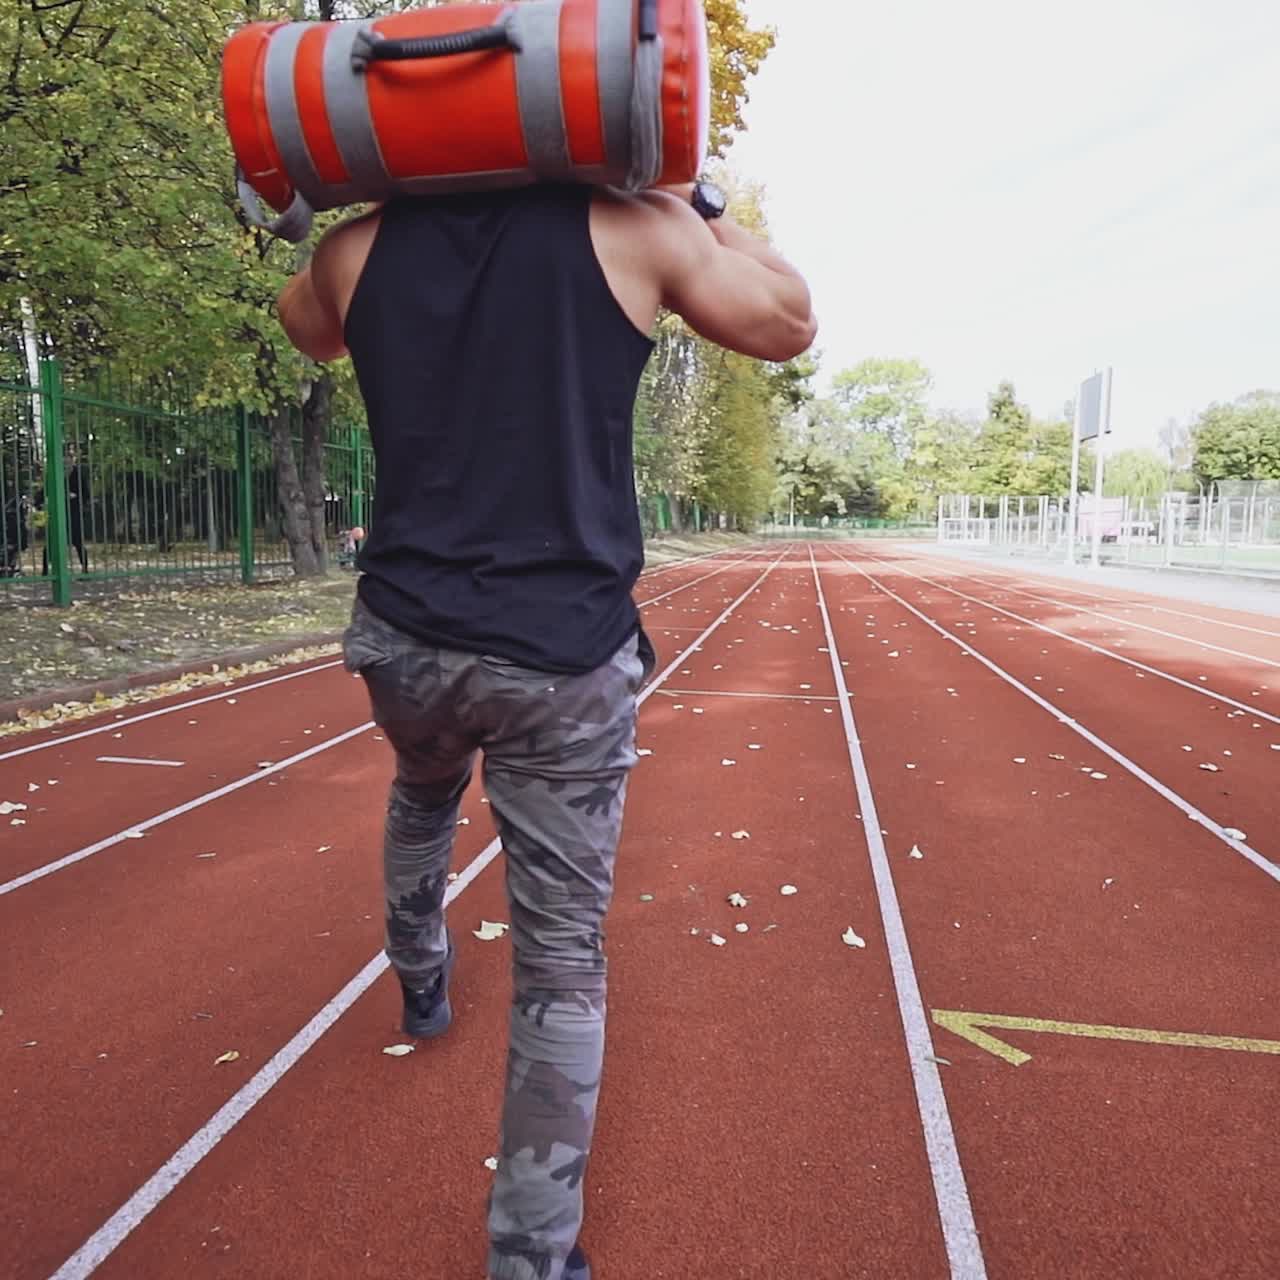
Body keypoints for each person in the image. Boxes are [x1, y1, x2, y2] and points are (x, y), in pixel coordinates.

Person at [277, 179, 816, 1280]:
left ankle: (421, 978)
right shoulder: (641, 227)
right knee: (560, 959)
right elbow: (788, 319)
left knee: (424, 790)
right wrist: (705, 203)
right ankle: (527, 1256)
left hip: (404, 639)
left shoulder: (355, 247)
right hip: (557, 654)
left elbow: (306, 334)